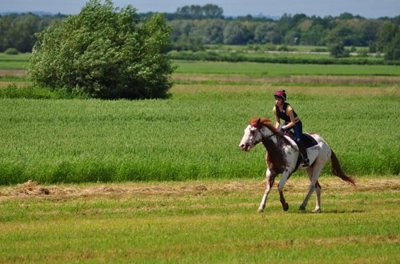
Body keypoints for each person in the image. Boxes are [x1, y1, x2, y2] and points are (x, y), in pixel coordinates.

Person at [272, 90, 309, 166]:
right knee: (279, 137)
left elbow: (293, 122)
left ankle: (305, 159)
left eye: (279, 99)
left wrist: (284, 128)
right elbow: (278, 122)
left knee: (298, 140)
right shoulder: (275, 109)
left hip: (296, 123)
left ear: (283, 100)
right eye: (276, 99)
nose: (277, 101)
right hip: (287, 123)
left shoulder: (289, 108)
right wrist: (276, 130)